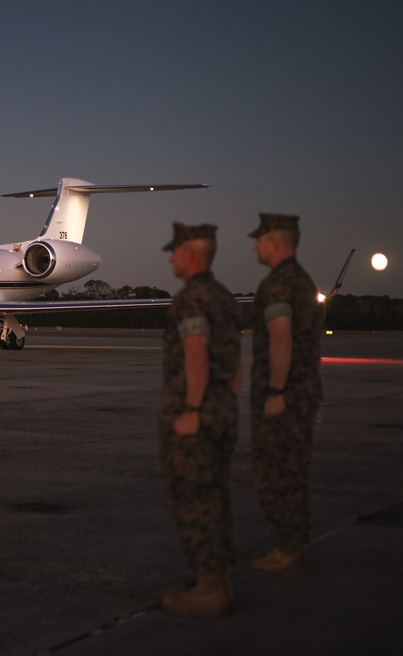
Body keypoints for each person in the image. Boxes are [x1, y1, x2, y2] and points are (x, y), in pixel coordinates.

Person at [158, 223, 242, 617]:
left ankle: (210, 589)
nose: (171, 257)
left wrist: (192, 410)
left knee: (196, 500)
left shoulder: (192, 298)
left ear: (191, 255)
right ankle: (220, 581)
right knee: (217, 496)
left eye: (175, 251)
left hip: (199, 414)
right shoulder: (223, 296)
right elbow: (235, 361)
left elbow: (195, 352)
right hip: (223, 409)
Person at [247, 213, 324, 575]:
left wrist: (276, 391)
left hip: (286, 394)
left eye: (259, 239)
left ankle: (287, 549)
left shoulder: (279, 284)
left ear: (275, 242)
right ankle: (293, 545)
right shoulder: (302, 280)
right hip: (304, 391)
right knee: (293, 469)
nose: (255, 245)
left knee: (277, 471)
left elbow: (281, 338)